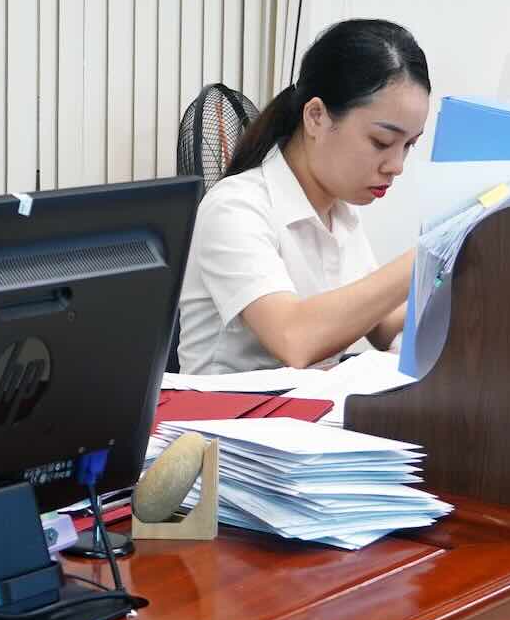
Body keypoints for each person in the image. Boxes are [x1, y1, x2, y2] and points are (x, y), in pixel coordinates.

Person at [177, 19, 431, 374]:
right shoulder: (234, 207)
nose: (396, 165)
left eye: (409, 146)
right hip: (226, 423)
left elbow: (384, 322)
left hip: (305, 416)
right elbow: (295, 339)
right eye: (382, 143)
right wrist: (426, 255)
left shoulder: (339, 210)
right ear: (316, 117)